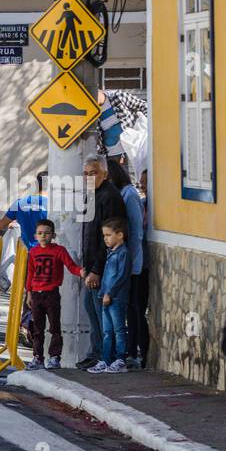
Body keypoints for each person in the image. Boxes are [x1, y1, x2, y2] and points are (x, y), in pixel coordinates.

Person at [78, 154, 128, 369]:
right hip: (91, 265)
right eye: (86, 174)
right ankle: (97, 353)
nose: (89, 177)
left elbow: (106, 238)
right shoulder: (93, 195)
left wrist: (96, 270)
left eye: (94, 173)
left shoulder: (109, 197)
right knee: (91, 308)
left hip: (104, 268)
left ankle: (107, 357)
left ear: (105, 174)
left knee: (102, 314)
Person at [23, 219, 83, 370]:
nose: (43, 236)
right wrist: (29, 293)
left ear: (53, 235)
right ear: (35, 236)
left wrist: (80, 272)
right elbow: (30, 274)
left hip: (51, 294)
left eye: (47, 233)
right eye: (40, 233)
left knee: (54, 327)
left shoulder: (59, 250)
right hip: (36, 295)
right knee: (37, 328)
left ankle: (55, 357)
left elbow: (71, 266)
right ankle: (38, 357)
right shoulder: (33, 252)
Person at [109, 158, 147, 369]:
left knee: (133, 309)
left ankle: (134, 351)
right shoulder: (120, 194)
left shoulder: (129, 194)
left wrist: (129, 262)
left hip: (132, 264)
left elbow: (135, 231)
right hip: (122, 263)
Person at [89, 217, 131, 374]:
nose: (105, 238)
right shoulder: (110, 253)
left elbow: (122, 276)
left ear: (120, 235)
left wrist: (110, 293)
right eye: (104, 235)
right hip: (105, 296)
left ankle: (120, 359)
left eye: (108, 235)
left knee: (119, 329)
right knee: (107, 331)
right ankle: (106, 360)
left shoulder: (123, 253)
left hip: (116, 298)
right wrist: (103, 293)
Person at [0, 171, 49, 249]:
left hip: (24, 254)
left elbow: (0, 226)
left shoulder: (19, 203)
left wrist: (15, 224)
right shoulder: (53, 205)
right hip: (45, 254)